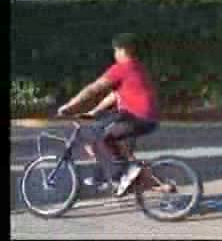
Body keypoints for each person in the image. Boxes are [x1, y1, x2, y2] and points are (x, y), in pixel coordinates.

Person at [57, 33, 159, 197]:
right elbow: (115, 95)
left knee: (101, 137)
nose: (115, 54)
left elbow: (93, 88)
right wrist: (94, 112)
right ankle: (114, 175)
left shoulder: (123, 68)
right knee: (101, 133)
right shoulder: (138, 67)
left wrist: (69, 106)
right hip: (147, 118)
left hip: (135, 117)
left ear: (123, 50)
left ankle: (119, 176)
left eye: (116, 50)